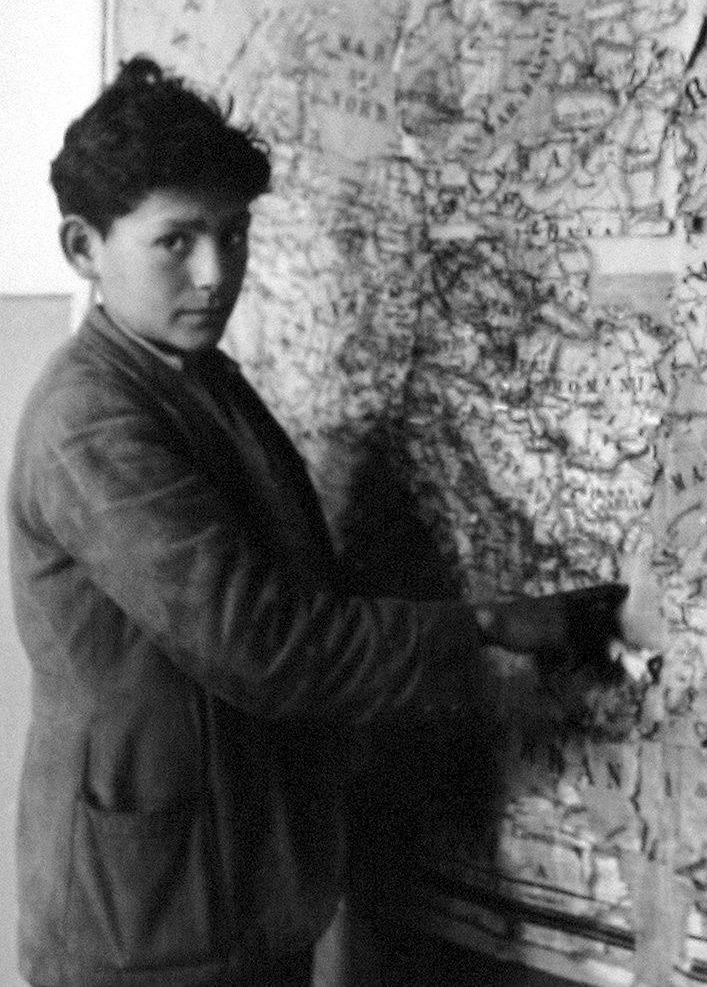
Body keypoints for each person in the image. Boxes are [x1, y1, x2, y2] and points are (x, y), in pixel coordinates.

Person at [7, 56, 627, 987]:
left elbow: (300, 589)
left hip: (234, 881)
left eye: (235, 233)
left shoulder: (197, 377)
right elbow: (265, 643)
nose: (217, 274)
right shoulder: (91, 420)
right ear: (84, 249)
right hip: (150, 924)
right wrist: (491, 626)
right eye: (176, 242)